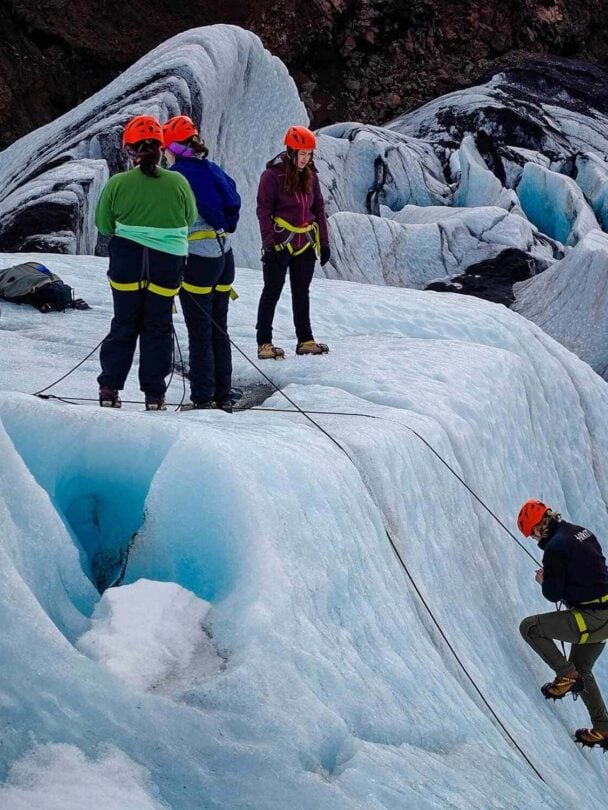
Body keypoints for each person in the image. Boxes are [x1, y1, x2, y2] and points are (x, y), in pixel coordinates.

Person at [95, 115, 197, 410]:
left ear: (129, 151)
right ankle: (154, 395)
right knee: (158, 325)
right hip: (167, 262)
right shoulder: (177, 181)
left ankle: (110, 389)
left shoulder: (118, 183)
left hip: (127, 259)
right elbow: (189, 217)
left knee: (124, 322)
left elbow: (103, 224)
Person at [162, 114, 241, 411]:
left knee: (200, 331)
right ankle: (223, 394)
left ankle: (203, 398)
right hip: (224, 256)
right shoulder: (212, 169)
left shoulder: (177, 177)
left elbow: (171, 221)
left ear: (174, 147)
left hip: (198, 259)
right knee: (219, 326)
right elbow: (233, 201)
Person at [518, 499, 608, 748]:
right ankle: (602, 729)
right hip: (605, 613)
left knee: (530, 628)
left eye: (532, 535)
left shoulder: (555, 548)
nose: (534, 540)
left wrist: (544, 580)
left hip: (591, 618)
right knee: (583, 667)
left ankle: (566, 675)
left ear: (538, 528)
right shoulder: (582, 532)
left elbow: (553, 594)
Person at [255, 125, 331, 360]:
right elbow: (263, 210)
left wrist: (324, 243)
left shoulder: (311, 176)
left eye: (309, 154)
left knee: (301, 293)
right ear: (290, 151)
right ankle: (264, 343)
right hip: (280, 243)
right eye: (302, 153)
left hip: (305, 242)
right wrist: (268, 245)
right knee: (272, 291)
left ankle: (305, 340)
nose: (305, 158)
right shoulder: (272, 176)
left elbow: (318, 208)